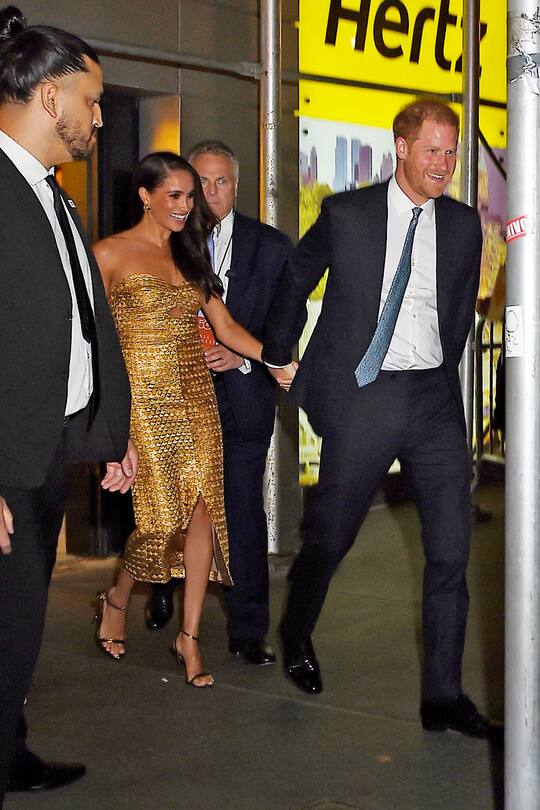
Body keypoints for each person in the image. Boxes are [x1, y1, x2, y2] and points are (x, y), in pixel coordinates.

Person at [262, 99, 503, 741]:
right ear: (399, 147)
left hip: (430, 399)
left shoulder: (460, 225)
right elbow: (295, 275)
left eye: (452, 153)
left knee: (451, 547)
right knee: (332, 536)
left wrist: (442, 381)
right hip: (363, 394)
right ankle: (296, 629)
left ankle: (443, 697)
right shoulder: (347, 213)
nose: (444, 164)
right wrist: (279, 353)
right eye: (433, 150)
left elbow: (454, 312)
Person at [0, 7, 136, 804]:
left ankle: (8, 748)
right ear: (50, 97)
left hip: (46, 448)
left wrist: (105, 434)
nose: (98, 116)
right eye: (91, 99)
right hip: (6, 458)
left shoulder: (56, 199)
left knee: (19, 628)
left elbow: (85, 326)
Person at [93, 151, 294, 687]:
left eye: (193, 195)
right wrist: (110, 420)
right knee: (159, 524)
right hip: (143, 404)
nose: (189, 205)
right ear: (145, 195)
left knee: (206, 513)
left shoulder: (189, 255)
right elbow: (92, 344)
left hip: (196, 398)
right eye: (176, 195)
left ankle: (190, 638)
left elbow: (225, 327)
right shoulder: (108, 254)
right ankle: (116, 598)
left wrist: (279, 363)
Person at [145, 140, 293, 666]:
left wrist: (248, 360)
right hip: (176, 395)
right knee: (168, 506)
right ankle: (159, 582)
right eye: (200, 183)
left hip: (244, 398)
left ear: (237, 184)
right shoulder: (164, 238)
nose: (209, 193)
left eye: (220, 182)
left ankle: (248, 628)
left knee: (242, 512)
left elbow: (284, 324)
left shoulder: (272, 247)